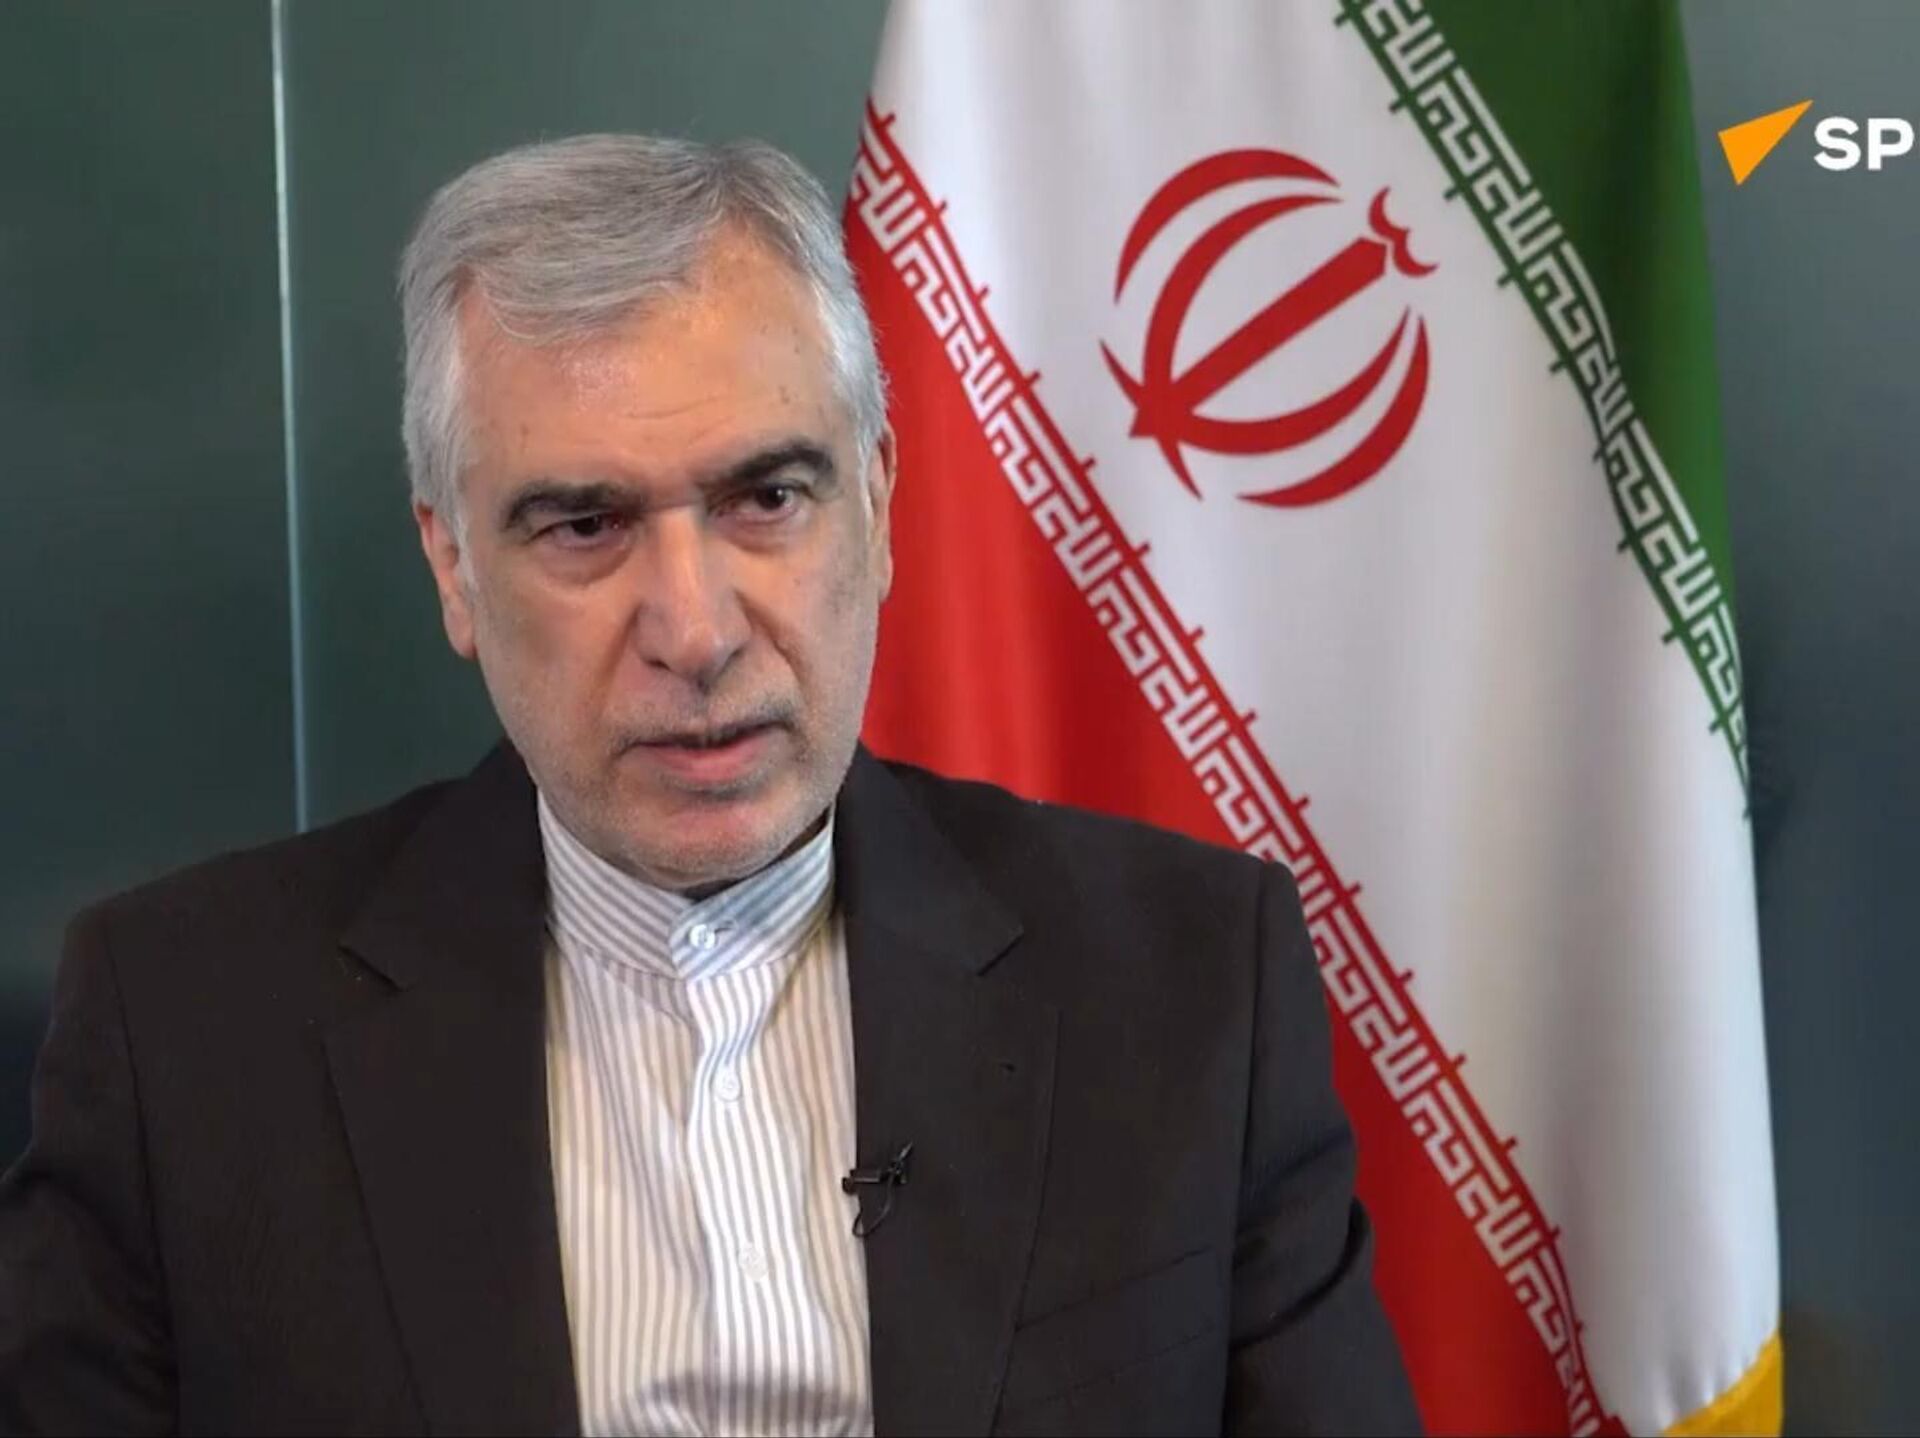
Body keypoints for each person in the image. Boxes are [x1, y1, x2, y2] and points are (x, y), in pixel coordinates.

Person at [0, 134, 1418, 1437]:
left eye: (767, 498)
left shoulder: (1190, 982)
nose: (696, 629)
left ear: (879, 502)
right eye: (584, 524)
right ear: (453, 567)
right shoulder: (176, 1037)